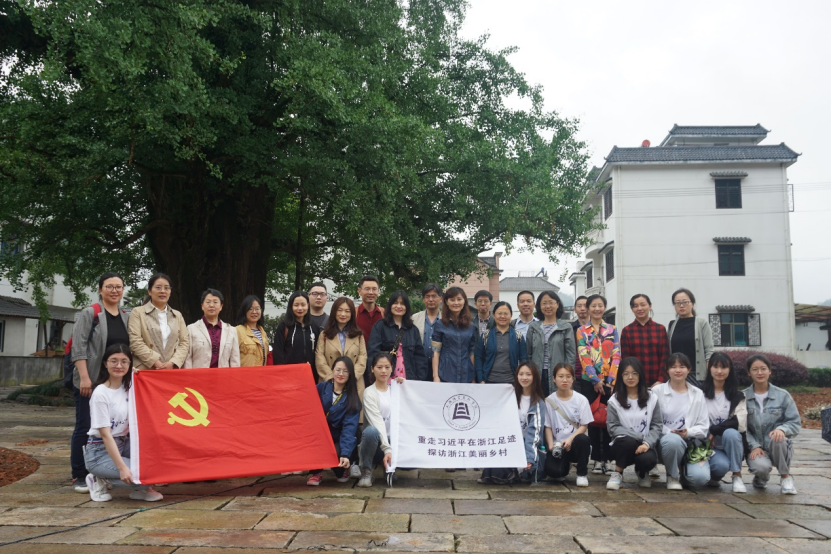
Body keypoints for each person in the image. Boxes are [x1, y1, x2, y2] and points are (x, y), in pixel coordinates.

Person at [69, 272, 131, 492]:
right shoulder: (90, 313)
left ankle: (106, 469)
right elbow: (79, 347)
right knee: (86, 426)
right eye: (109, 286)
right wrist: (85, 377)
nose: (114, 291)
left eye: (118, 287)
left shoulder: (126, 316)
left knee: (115, 426)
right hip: (92, 379)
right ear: (100, 289)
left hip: (115, 382)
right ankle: (79, 474)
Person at [83, 344, 163, 502]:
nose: (119, 365)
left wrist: (138, 375)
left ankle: (139, 490)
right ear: (105, 364)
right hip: (100, 451)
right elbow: (106, 435)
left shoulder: (129, 386)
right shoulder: (100, 393)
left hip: (124, 443)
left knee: (159, 468)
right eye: (114, 361)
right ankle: (99, 479)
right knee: (144, 475)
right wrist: (122, 468)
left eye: (124, 361)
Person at [480, 360, 545, 484]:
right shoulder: (510, 396)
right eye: (521, 374)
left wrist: (529, 458)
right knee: (493, 473)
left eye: (528, 374)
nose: (524, 378)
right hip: (510, 444)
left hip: (527, 446)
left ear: (535, 377)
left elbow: (534, 433)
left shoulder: (538, 403)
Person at [744, 354, 801, 494]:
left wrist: (782, 429)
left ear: (769, 371)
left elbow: (794, 422)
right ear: (749, 373)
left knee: (778, 438)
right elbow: (741, 427)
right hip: (757, 448)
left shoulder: (783, 395)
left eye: (763, 369)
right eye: (755, 369)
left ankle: (785, 478)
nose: (760, 372)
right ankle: (761, 477)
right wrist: (754, 445)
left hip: (777, 445)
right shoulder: (742, 397)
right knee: (761, 468)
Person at [575, 294, 619, 474]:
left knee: (608, 419)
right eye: (593, 306)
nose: (596, 309)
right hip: (589, 382)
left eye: (600, 305)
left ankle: (607, 459)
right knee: (592, 419)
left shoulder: (612, 329)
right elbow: (583, 355)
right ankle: (596, 460)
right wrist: (595, 379)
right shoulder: (582, 330)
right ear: (588, 308)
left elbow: (616, 354)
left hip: (609, 382)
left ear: (604, 308)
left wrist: (610, 380)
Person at [653, 353, 711, 490]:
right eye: (673, 367)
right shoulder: (657, 391)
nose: (678, 370)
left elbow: (704, 426)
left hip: (690, 442)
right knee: (673, 440)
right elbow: (651, 421)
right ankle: (672, 476)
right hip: (663, 441)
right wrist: (670, 432)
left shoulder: (697, 393)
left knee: (699, 479)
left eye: (682, 367)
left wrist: (688, 432)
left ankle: (684, 472)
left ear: (689, 370)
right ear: (667, 370)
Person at [606, 357, 663, 490]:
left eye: (634, 373)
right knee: (628, 442)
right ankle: (618, 473)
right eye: (626, 374)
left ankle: (642, 472)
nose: (630, 377)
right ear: (621, 376)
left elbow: (657, 425)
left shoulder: (652, 398)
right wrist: (637, 437)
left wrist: (647, 443)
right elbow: (613, 427)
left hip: (645, 445)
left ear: (640, 375)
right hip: (622, 445)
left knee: (648, 459)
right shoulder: (614, 400)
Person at [307, 357, 362, 486]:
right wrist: (303, 373)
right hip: (318, 436)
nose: (341, 374)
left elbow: (349, 429)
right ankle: (316, 472)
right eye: (338, 370)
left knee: (338, 458)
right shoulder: (321, 388)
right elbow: (303, 395)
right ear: (332, 371)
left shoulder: (352, 398)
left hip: (338, 439)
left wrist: (345, 454)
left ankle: (342, 470)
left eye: (345, 371)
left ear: (350, 374)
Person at [357, 353, 404, 487]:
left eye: (387, 367)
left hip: (393, 441)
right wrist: (387, 449)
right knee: (371, 431)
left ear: (392, 368)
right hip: (377, 444)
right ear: (372, 369)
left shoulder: (396, 390)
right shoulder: (369, 393)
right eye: (379, 367)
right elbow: (377, 422)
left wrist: (406, 387)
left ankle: (388, 468)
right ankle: (367, 470)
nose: (383, 371)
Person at [703, 353, 747, 493]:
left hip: (730, 443)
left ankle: (737, 475)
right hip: (708, 444)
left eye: (724, 367)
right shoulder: (700, 393)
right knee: (720, 467)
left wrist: (714, 430)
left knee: (731, 433)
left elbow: (739, 423)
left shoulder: (738, 395)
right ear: (709, 368)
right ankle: (713, 477)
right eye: (715, 367)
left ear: (730, 369)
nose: (719, 371)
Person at [542, 363, 593, 486]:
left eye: (568, 376)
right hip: (558, 445)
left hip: (575, 444)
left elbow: (584, 425)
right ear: (554, 379)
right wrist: (551, 446)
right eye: (560, 376)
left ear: (573, 379)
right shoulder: (549, 401)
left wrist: (570, 439)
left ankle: (581, 473)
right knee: (553, 472)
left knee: (582, 439)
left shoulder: (581, 400)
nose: (564, 380)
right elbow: (548, 426)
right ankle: (564, 467)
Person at [127, 273, 189, 370]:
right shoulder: (137, 312)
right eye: (158, 287)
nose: (163, 291)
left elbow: (184, 342)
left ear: (170, 292)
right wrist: (155, 362)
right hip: (145, 369)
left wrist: (173, 362)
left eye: (166, 288)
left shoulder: (177, 315)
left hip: (171, 370)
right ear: (150, 291)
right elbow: (135, 341)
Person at [368, 291, 429, 381]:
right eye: (395, 303)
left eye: (402, 304)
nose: (399, 306)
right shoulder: (380, 326)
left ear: (406, 307)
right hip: (385, 378)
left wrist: (419, 379)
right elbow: (373, 353)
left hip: (408, 379)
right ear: (390, 305)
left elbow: (420, 358)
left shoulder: (413, 330)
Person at [526, 291, 576, 397]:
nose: (548, 306)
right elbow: (528, 353)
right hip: (537, 373)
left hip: (558, 373)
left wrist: (568, 376)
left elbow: (570, 355)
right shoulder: (533, 327)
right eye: (544, 303)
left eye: (551, 302)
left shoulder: (565, 327)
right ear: (539, 306)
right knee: (538, 402)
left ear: (557, 304)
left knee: (557, 402)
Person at [316, 297, 368, 397]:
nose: (343, 314)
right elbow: (319, 358)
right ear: (334, 312)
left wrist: (351, 376)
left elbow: (362, 358)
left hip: (354, 383)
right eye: (339, 310)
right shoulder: (324, 335)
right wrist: (332, 377)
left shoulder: (358, 335)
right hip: (330, 382)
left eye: (347, 311)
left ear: (352, 314)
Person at [620, 294, 668, 388]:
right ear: (632, 309)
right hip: (635, 383)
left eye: (643, 305)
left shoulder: (660, 329)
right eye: (635, 306)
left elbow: (665, 357)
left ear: (650, 306)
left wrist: (661, 380)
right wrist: (632, 379)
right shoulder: (627, 331)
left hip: (658, 383)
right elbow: (626, 360)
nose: (639, 308)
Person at [667, 288, 714, 384]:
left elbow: (709, 350)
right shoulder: (672, 325)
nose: (681, 305)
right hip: (676, 374)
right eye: (677, 303)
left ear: (692, 303)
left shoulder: (702, 323)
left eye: (685, 302)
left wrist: (709, 373)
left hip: (696, 375)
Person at [184, 289, 240, 369]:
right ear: (202, 306)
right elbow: (187, 359)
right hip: (199, 375)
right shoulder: (191, 329)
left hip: (223, 376)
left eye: (215, 302)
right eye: (208, 302)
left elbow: (235, 361)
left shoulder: (231, 331)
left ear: (221, 306)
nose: (211, 305)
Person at [431, 287, 478, 383]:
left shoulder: (471, 326)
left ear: (464, 301)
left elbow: (471, 352)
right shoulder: (440, 325)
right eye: (452, 300)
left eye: (459, 299)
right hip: (446, 374)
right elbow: (436, 352)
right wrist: (435, 376)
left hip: (466, 375)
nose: (456, 303)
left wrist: (473, 377)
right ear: (447, 302)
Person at [273, 291, 320, 382]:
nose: (300, 308)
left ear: (308, 305)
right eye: (296, 305)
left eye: (303, 305)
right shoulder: (284, 327)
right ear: (291, 306)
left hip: (310, 376)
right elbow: (278, 354)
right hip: (289, 377)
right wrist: (282, 375)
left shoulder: (314, 327)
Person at [476, 302, 527, 384]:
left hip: (512, 382)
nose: (502, 316)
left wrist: (521, 378)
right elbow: (479, 357)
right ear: (494, 315)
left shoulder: (518, 336)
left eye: (506, 314)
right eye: (499, 313)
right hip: (489, 381)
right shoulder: (486, 335)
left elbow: (523, 359)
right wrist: (481, 379)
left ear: (511, 315)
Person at [355, 276, 385, 386]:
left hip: (379, 366)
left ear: (378, 291)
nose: (371, 292)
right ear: (359, 291)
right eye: (367, 289)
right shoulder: (353, 313)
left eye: (374, 289)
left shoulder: (384, 314)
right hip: (357, 365)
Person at [235, 295, 270, 367]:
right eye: (250, 309)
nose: (254, 312)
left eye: (257, 309)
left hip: (262, 372)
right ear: (244, 311)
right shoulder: (237, 331)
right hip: (245, 373)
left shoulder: (262, 332)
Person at [412, 283, 442, 361]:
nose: (430, 300)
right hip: (419, 364)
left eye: (434, 296)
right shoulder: (414, 319)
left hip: (440, 364)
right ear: (423, 299)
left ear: (440, 299)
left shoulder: (447, 320)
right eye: (427, 296)